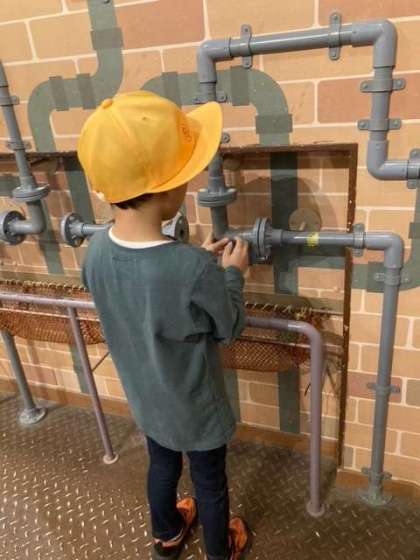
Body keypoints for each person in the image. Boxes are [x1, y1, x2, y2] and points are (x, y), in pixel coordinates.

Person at [78, 91, 250, 560]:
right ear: (169, 189)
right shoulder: (192, 268)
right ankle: (219, 551)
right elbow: (228, 327)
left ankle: (168, 535)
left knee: (162, 466)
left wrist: (196, 263)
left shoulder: (95, 252)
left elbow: (139, 286)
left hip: (147, 401)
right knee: (209, 482)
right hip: (196, 408)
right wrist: (231, 274)